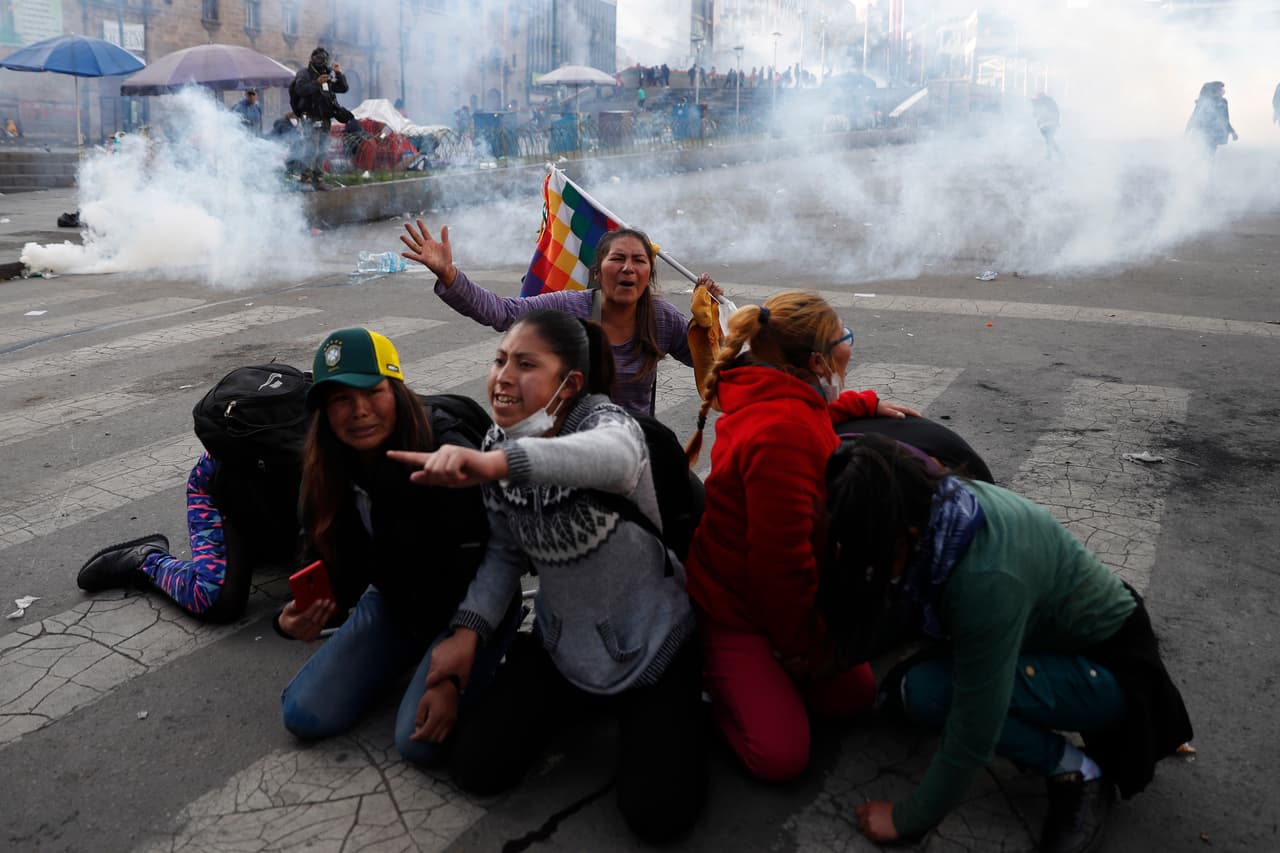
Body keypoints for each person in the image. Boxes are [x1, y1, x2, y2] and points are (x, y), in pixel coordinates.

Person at [387, 309, 706, 843]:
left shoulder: (611, 428)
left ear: (570, 383)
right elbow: (505, 554)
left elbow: (614, 458)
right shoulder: (495, 442)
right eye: (499, 360)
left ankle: (675, 714)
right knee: (475, 767)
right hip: (563, 647)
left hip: (653, 647)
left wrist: (496, 464)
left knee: (659, 818)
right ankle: (588, 706)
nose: (502, 377)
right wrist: (467, 636)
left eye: (526, 364)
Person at [819, 435, 1192, 853]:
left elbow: (975, 726)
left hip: (1112, 672)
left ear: (906, 537)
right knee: (913, 689)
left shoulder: (984, 578)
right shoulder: (939, 506)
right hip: (1052, 635)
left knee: (934, 695)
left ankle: (1078, 771)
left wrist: (907, 819)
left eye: (874, 558)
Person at [682, 291, 919, 782]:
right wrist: (804, 651)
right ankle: (707, 682)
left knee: (851, 697)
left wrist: (860, 402)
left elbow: (813, 415)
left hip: (773, 596)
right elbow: (780, 569)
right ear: (815, 361)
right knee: (780, 756)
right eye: (843, 339)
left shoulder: (777, 394)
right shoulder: (782, 433)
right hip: (734, 609)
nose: (848, 346)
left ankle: (768, 676)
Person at [278, 327, 517, 766]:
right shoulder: (327, 469)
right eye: (341, 400)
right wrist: (292, 618)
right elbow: (320, 558)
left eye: (373, 392)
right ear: (324, 413)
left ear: (398, 390)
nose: (360, 411)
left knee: (416, 741)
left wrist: (463, 645)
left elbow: (500, 556)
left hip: (471, 605)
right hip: (395, 601)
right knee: (302, 713)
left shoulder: (444, 452)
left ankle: (503, 662)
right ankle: (411, 653)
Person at [400, 223, 721, 416]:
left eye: (639, 260)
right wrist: (450, 275)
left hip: (637, 447)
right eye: (617, 259)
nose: (628, 268)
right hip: (572, 443)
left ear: (648, 274)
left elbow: (713, 366)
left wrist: (709, 321)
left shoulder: (661, 317)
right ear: (597, 272)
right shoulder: (572, 308)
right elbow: (502, 312)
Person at [291, 46, 349, 189]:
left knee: (323, 148)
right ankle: (306, 179)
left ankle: (318, 179)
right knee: (312, 147)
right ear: (311, 59)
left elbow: (343, 88)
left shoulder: (327, 74)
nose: (321, 61)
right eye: (318, 58)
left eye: (324, 59)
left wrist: (338, 73)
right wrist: (317, 83)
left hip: (325, 117)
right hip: (310, 117)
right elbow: (300, 90)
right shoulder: (304, 73)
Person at [1185, 81, 1237, 159]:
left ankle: (1207, 169)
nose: (1222, 91)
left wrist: (1232, 132)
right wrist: (1187, 131)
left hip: (1214, 135)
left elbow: (1225, 119)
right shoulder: (1203, 102)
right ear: (1214, 90)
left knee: (1210, 155)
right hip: (1203, 133)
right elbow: (1194, 117)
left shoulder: (1223, 102)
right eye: (1220, 89)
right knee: (1203, 154)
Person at [1032, 92, 1062, 161]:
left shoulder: (1039, 102)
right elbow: (1057, 112)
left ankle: (1053, 155)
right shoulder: (1051, 101)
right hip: (1052, 124)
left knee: (1049, 140)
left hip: (1045, 124)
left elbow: (1035, 114)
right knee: (1049, 140)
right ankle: (1052, 155)